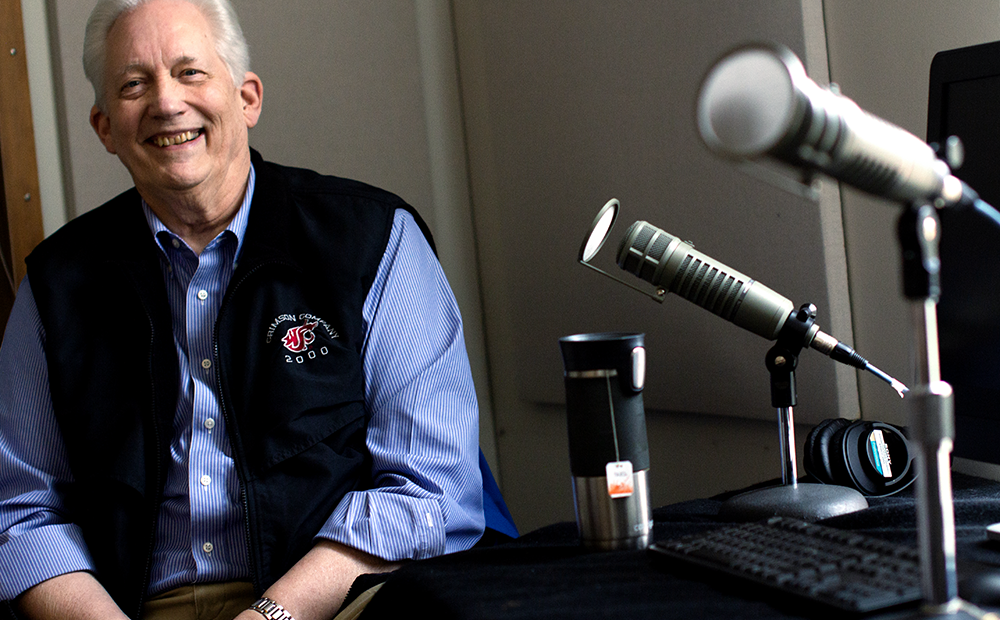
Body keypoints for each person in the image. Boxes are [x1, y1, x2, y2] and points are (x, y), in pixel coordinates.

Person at [0, 0, 506, 618]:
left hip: (335, 603)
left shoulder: (374, 239)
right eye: (134, 85)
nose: (165, 102)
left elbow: (432, 489)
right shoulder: (55, 285)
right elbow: (22, 512)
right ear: (105, 127)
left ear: (247, 98)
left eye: (190, 73)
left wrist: (272, 616)